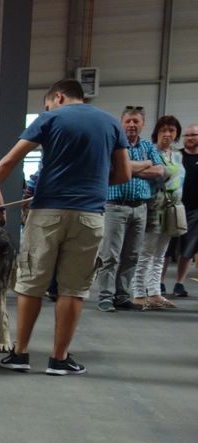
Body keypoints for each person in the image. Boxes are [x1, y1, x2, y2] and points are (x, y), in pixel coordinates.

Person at [0, 78, 131, 376]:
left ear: (58, 97)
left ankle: (20, 354)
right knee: (73, 289)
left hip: (47, 214)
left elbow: (8, 161)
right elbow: (124, 173)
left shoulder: (50, 118)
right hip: (89, 216)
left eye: (46, 104)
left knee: (31, 285)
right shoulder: (111, 123)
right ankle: (59, 359)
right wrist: (91, 182)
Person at [95, 106, 165, 312]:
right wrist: (144, 165)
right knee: (110, 255)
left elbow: (160, 170)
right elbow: (110, 169)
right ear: (121, 122)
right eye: (128, 121)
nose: (132, 125)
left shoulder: (147, 146)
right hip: (115, 207)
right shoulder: (113, 145)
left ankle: (122, 295)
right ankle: (105, 296)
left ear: (142, 124)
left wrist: (128, 168)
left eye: (136, 121)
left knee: (132, 255)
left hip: (140, 208)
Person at [133, 115, 184, 309]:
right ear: (157, 133)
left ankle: (154, 292)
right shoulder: (150, 152)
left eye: (171, 131)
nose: (167, 134)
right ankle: (138, 292)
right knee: (146, 251)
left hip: (173, 207)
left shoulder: (177, 155)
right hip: (154, 205)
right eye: (163, 130)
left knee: (161, 253)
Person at [171, 124, 198, 297]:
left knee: (188, 249)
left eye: (193, 135)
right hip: (174, 207)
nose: (189, 138)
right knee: (168, 247)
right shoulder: (176, 156)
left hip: (195, 210)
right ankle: (158, 284)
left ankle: (179, 283)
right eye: (186, 135)